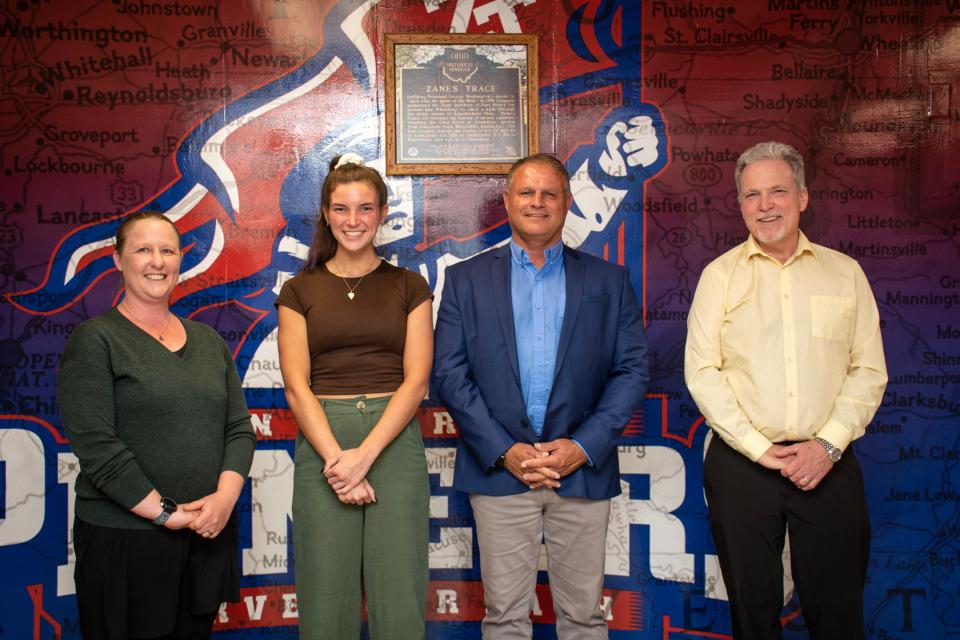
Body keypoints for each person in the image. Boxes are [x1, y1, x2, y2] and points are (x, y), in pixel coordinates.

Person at [432, 153, 649, 638]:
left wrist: (583, 446)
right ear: (506, 202)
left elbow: (633, 369)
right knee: (505, 618)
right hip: (501, 473)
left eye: (550, 193)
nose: (538, 202)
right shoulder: (465, 280)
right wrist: (506, 452)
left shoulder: (608, 282)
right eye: (526, 192)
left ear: (567, 203)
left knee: (584, 618)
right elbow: (449, 372)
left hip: (581, 473)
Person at [684, 141, 888, 639]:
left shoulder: (845, 273)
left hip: (828, 461)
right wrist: (758, 448)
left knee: (838, 614)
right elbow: (702, 373)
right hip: (741, 463)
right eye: (752, 195)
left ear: (802, 197)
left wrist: (826, 445)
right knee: (753, 616)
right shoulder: (719, 277)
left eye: (778, 190)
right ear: (740, 205)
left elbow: (868, 370)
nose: (765, 205)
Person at [57, 211, 256, 640]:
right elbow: (97, 448)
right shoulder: (96, 341)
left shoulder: (208, 341)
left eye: (167, 250)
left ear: (180, 260)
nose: (157, 261)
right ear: (117, 259)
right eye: (143, 250)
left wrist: (223, 500)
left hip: (205, 536)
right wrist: (166, 514)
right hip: (125, 542)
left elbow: (239, 428)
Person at [275, 153, 433, 639]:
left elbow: (417, 382)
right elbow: (297, 387)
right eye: (342, 209)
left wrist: (362, 458)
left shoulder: (410, 285)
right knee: (325, 597)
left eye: (365, 209)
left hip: (392, 441)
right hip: (324, 440)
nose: (353, 220)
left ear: (383, 213)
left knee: (399, 595)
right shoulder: (299, 290)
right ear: (325, 213)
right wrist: (338, 462)